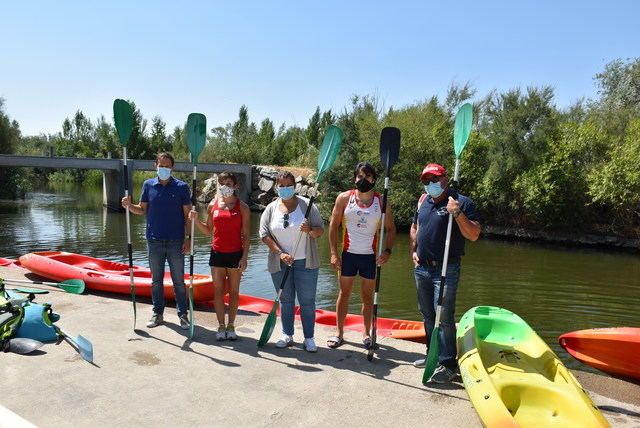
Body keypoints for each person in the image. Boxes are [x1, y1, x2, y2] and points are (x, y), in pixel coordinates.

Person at [410, 163, 481, 383]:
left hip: (446, 268)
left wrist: (457, 213)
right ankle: (433, 356)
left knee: (445, 317)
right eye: (426, 181)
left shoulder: (461, 202)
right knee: (427, 314)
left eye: (435, 179)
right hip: (422, 267)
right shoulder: (423, 202)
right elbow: (415, 227)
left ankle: (449, 364)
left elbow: (474, 234)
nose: (430, 184)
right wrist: (414, 250)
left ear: (446, 178)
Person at [326, 162, 396, 349]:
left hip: (369, 258)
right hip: (348, 255)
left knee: (367, 297)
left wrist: (387, 251)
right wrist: (334, 254)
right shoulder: (344, 198)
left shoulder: (381, 202)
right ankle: (339, 333)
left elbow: (390, 230)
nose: (363, 180)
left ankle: (366, 334)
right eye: (359, 177)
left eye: (367, 177)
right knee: (344, 294)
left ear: (374, 179)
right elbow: (332, 227)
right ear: (354, 178)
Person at [121, 152, 192, 330]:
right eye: (161, 165)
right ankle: (158, 313)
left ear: (172, 167)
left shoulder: (182, 187)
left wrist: (188, 238)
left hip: (176, 241)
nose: (164, 168)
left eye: (168, 166)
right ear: (156, 166)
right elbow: (142, 210)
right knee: (156, 281)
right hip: (154, 241)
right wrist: (129, 206)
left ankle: (183, 315)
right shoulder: (148, 185)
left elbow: (188, 216)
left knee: (179, 282)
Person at [259, 171, 324, 352]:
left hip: (305, 262)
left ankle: (309, 338)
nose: (285, 189)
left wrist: (310, 229)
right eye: (282, 186)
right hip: (280, 262)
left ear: (294, 187)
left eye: (289, 186)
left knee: (307, 302)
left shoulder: (307, 206)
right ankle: (287, 334)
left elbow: (320, 231)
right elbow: (264, 235)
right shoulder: (271, 208)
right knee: (286, 300)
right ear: (277, 186)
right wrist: (280, 253)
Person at [189, 172, 250, 341]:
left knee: (234, 292)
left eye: (229, 183)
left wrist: (244, 258)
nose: (225, 187)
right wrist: (195, 221)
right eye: (222, 183)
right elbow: (208, 230)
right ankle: (221, 326)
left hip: (235, 254)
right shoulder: (212, 205)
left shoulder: (242, 207)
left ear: (236, 186)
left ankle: (231, 326)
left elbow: (246, 235)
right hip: (217, 253)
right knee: (218, 291)